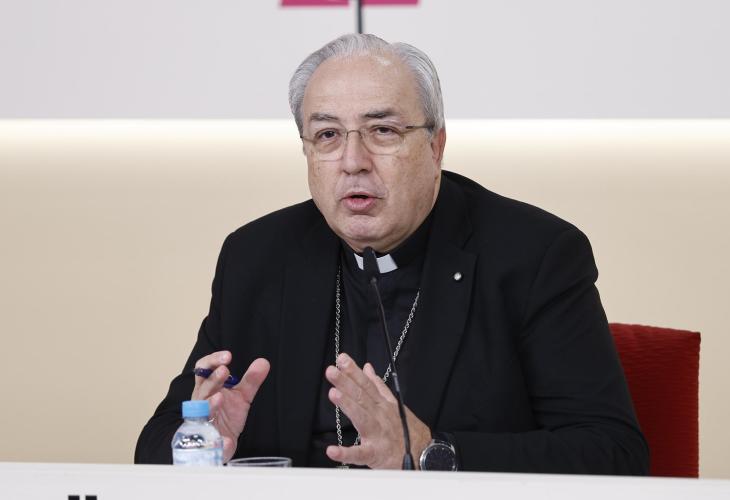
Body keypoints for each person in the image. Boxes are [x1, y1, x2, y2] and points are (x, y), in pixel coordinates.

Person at [135, 33, 649, 473]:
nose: (353, 161)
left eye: (382, 131)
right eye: (327, 135)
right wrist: (204, 442)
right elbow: (155, 444)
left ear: (435, 146)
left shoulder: (534, 256)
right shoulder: (257, 258)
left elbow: (613, 452)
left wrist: (431, 452)